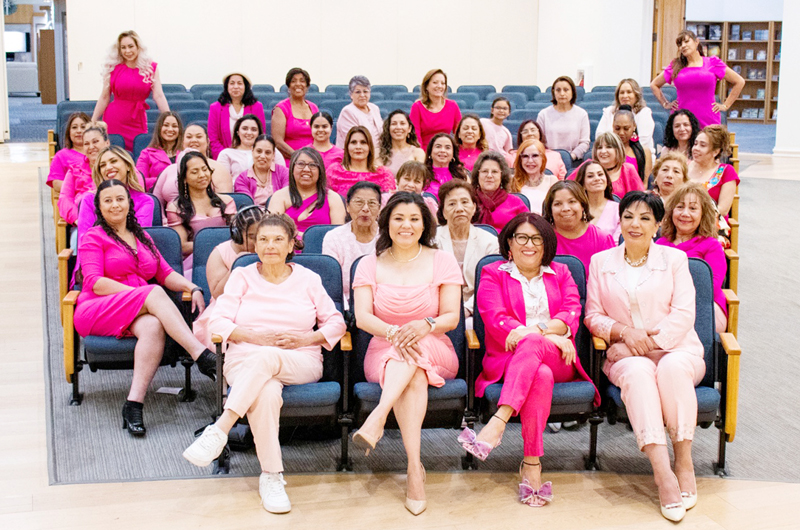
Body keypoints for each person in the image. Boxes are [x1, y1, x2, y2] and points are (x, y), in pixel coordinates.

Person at [183, 213, 346, 514]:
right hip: (244, 359)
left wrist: (305, 340)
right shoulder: (242, 276)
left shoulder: (308, 279)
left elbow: (337, 323)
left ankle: (221, 429)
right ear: (254, 245)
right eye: (263, 239)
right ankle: (271, 477)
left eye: (277, 239)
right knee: (267, 391)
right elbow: (217, 322)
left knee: (268, 356)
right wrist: (254, 336)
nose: (270, 245)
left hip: (300, 359)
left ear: (290, 245)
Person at [461, 212, 598, 507]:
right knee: (542, 375)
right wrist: (550, 334)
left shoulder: (561, 272)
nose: (529, 244)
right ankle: (532, 464)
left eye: (537, 238)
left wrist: (539, 334)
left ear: (546, 244)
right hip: (511, 360)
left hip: (560, 355)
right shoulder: (493, 273)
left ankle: (498, 422)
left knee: (538, 348)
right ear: (509, 242)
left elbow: (572, 313)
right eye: (521, 237)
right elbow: (494, 318)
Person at [585, 191, 705, 522]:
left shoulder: (674, 260)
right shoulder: (601, 262)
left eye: (644, 218)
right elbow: (592, 316)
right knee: (638, 373)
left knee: (671, 368)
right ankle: (662, 473)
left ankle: (683, 459)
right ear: (619, 221)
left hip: (677, 348)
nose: (635, 224)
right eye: (628, 216)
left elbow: (683, 314)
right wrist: (625, 335)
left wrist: (645, 344)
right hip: (625, 354)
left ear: (657, 224)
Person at [75, 179, 217, 436]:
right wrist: (139, 295)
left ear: (129, 203)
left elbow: (164, 272)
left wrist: (192, 287)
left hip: (135, 307)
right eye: (108, 200)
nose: (115, 205)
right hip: (97, 308)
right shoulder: (92, 237)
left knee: (153, 326)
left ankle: (133, 404)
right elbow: (95, 282)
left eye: (120, 198)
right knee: (154, 293)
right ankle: (202, 355)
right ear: (99, 207)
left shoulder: (142, 236)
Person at [351, 192, 463, 516]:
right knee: (409, 367)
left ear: (424, 224)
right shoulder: (368, 264)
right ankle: (415, 469)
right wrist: (393, 333)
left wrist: (425, 325)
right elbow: (363, 318)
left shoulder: (441, 260)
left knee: (411, 356)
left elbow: (451, 317)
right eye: (399, 218)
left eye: (414, 218)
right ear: (386, 221)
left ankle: (378, 417)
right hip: (383, 347)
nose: (406, 225)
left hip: (434, 344)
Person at [657, 182, 728, 333]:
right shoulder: (660, 244)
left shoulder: (712, 245)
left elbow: (712, 286)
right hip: (665, 305)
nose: (685, 213)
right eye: (680, 207)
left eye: (693, 208)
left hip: (703, 306)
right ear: (671, 211)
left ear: (703, 214)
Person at [193, 205, 265, 349]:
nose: (258, 242)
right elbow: (218, 294)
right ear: (238, 234)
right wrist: (237, 264)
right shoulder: (220, 253)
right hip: (226, 306)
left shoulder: (270, 250)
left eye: (261, 236)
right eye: (252, 237)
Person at [651, 29, 745, 128]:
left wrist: (726, 105)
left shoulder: (712, 62)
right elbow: (654, 84)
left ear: (696, 42)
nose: (683, 45)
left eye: (686, 41)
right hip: (682, 120)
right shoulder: (675, 65)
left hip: (708, 119)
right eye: (680, 44)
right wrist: (665, 103)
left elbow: (739, 81)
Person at [92, 31, 169, 150]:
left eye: (130, 46)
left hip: (138, 119)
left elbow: (159, 95)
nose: (127, 51)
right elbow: (104, 97)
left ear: (138, 47)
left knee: (139, 152)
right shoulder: (112, 68)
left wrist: (168, 117)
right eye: (123, 47)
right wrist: (93, 120)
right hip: (114, 119)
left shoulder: (150, 68)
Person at [435, 180, 498, 321]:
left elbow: (489, 285)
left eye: (465, 202)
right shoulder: (431, 241)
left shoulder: (490, 242)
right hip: (438, 310)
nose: (459, 208)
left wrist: (468, 309)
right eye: (452, 204)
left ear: (474, 207)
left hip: (478, 309)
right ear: (443, 212)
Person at [166, 152, 236, 275]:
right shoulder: (176, 208)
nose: (202, 175)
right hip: (196, 261)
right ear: (184, 178)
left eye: (205, 169)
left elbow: (236, 236)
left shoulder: (227, 201)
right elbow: (182, 246)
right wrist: (210, 245)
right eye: (194, 172)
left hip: (227, 257)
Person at [77, 146, 152, 246]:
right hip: (95, 255)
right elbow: (84, 241)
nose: (108, 167)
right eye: (103, 165)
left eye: (113, 161)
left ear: (128, 166)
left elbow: (139, 239)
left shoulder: (145, 201)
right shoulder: (89, 200)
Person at [152, 124, 234, 215]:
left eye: (199, 136)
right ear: (182, 142)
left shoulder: (219, 169)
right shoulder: (169, 169)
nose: (194, 140)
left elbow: (222, 205)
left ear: (207, 141)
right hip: (169, 222)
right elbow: (156, 204)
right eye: (189, 137)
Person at [322, 181, 381, 301]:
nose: (365, 209)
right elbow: (332, 284)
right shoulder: (334, 237)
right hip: (345, 304)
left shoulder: (388, 236)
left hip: (382, 302)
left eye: (372, 203)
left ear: (379, 209)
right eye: (359, 202)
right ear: (347, 207)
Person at [268, 147, 346, 237]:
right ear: (292, 168)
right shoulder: (279, 196)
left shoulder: (333, 198)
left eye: (312, 165)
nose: (306, 169)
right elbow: (272, 231)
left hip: (322, 249)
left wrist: (304, 237)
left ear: (320, 171)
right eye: (301, 164)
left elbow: (338, 236)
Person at [543, 181, 616, 274]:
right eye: (558, 204)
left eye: (572, 202)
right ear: (550, 209)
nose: (565, 208)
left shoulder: (602, 239)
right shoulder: (541, 239)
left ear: (582, 205)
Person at [58, 122, 111, 225]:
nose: (91, 147)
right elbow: (64, 199)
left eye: (95, 141)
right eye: (86, 144)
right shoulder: (74, 170)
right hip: (84, 222)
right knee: (75, 239)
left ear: (107, 143)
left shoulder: (118, 166)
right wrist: (78, 220)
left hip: (116, 221)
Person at [208, 72, 266, 159]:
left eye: (239, 83)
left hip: (251, 157)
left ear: (245, 87)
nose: (235, 87)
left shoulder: (257, 107)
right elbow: (213, 139)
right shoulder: (215, 108)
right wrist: (226, 157)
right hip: (224, 157)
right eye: (232, 83)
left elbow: (260, 135)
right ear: (227, 86)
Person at [687, 125, 739, 218]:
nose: (696, 148)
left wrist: (696, 218)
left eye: (702, 145)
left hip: (711, 222)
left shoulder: (727, 171)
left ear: (715, 151)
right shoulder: (684, 166)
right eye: (695, 144)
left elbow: (723, 209)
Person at [327, 126, 396, 195]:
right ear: (347, 146)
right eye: (353, 142)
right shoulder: (334, 171)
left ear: (370, 147)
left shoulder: (384, 174)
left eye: (363, 142)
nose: (358, 147)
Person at [536, 76, 590, 164]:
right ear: (553, 92)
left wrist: (571, 156)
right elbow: (539, 141)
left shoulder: (581, 114)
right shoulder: (543, 114)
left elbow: (584, 142)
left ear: (572, 92)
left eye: (566, 90)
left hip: (574, 160)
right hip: (548, 160)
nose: (562, 93)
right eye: (558, 90)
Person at [472, 151, 528, 233]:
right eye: (484, 171)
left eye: (494, 172)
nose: (489, 175)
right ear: (477, 175)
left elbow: (527, 230)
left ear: (502, 176)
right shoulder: (468, 201)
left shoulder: (516, 203)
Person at [595, 79, 655, 155]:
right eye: (622, 93)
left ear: (636, 95)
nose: (625, 96)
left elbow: (644, 140)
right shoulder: (609, 111)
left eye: (629, 92)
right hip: (611, 154)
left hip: (638, 154)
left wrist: (625, 151)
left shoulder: (644, 112)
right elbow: (600, 136)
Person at [272, 67, 318, 159]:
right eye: (293, 81)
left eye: (302, 81)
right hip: (290, 159)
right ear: (288, 86)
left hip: (313, 159)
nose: (298, 84)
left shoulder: (314, 108)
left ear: (307, 86)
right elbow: (278, 142)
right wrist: (298, 157)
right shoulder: (281, 108)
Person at [409, 69, 462, 150]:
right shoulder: (417, 107)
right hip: (424, 153)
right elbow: (415, 136)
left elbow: (459, 133)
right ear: (426, 86)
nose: (439, 86)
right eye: (435, 83)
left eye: (443, 83)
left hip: (446, 153)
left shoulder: (453, 106)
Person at [579, 132, 643, 198]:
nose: (603, 151)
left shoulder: (628, 169)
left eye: (609, 147)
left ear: (618, 150)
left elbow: (640, 199)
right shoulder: (587, 167)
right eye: (600, 147)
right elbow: (570, 188)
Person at [234, 135, 289, 206]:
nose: (263, 156)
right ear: (252, 152)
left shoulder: (284, 173)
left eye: (268, 152)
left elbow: (286, 198)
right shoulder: (242, 179)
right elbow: (247, 205)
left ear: (273, 155)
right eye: (259, 151)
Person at [136, 111, 183, 192]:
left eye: (174, 126)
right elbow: (139, 181)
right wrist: (164, 179)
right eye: (166, 125)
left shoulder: (185, 153)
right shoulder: (146, 153)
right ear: (159, 128)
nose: (170, 129)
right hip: (155, 196)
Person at [510, 139, 559, 215]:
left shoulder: (552, 181)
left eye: (535, 156)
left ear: (542, 158)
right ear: (520, 160)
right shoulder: (511, 181)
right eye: (525, 156)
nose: (530, 161)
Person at [574, 161, 620, 240]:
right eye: (590, 176)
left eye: (600, 174)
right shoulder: (575, 209)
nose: (597, 179)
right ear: (583, 184)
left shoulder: (618, 210)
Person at [335, 75, 383, 149]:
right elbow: (354, 142)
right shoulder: (347, 112)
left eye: (365, 91)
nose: (362, 95)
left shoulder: (374, 108)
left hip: (378, 154)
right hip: (358, 154)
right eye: (358, 92)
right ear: (351, 95)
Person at [48, 112, 90, 193]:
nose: (79, 131)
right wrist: (81, 188)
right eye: (74, 127)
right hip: (73, 199)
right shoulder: (61, 156)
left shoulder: (98, 153)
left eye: (83, 127)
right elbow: (56, 184)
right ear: (69, 132)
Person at [377, 109, 425, 176]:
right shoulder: (378, 153)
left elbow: (419, 177)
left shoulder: (418, 153)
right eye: (394, 124)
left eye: (402, 124)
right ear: (388, 128)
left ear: (409, 128)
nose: (398, 127)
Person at [613, 106, 653, 183]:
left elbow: (645, 183)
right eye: (617, 128)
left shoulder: (644, 152)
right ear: (612, 126)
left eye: (626, 128)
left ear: (634, 126)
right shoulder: (606, 151)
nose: (621, 133)